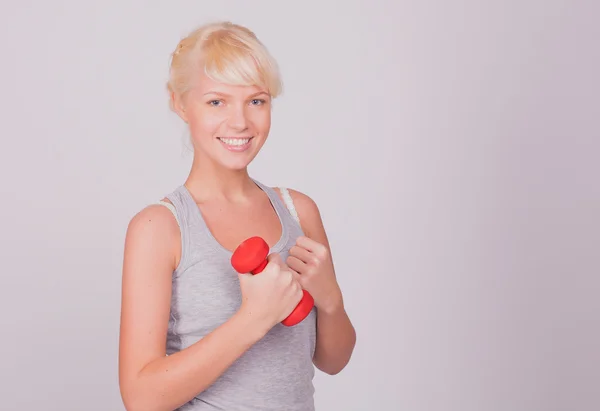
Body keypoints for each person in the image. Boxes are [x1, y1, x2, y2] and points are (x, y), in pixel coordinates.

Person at [118, 21, 356, 411]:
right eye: (216, 101)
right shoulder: (159, 228)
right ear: (179, 103)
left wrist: (330, 300)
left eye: (256, 101)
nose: (241, 122)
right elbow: (141, 399)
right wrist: (253, 319)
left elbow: (333, 360)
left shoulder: (299, 211)